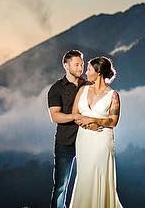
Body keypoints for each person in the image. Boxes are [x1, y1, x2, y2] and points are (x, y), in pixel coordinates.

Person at [68, 56, 124, 208]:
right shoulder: (83, 90)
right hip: (84, 139)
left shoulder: (113, 95)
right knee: (85, 175)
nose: (85, 72)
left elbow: (113, 121)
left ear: (98, 72)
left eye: (89, 69)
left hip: (101, 140)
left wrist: (95, 122)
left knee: (97, 172)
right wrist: (88, 126)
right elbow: (75, 114)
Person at [47, 49, 97, 208]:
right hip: (65, 143)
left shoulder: (89, 85)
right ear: (66, 66)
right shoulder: (56, 89)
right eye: (76, 64)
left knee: (90, 183)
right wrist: (75, 117)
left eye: (82, 64)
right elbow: (55, 116)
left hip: (88, 141)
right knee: (61, 186)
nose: (80, 68)